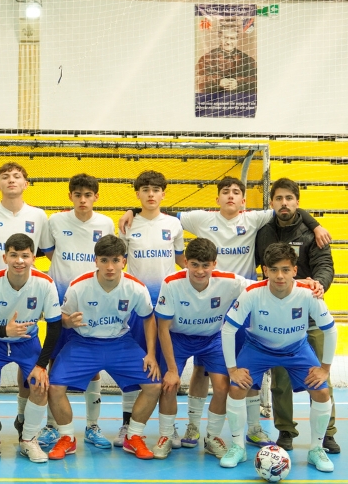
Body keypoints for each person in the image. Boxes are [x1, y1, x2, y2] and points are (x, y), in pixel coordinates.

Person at [119, 175, 330, 449]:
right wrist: (133, 210)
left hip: (243, 302)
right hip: (199, 310)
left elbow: (286, 206)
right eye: (225, 192)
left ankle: (251, 426)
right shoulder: (199, 220)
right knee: (195, 372)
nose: (230, 196)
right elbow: (160, 211)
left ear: (244, 200)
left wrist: (314, 228)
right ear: (216, 198)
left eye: (236, 192)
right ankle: (191, 426)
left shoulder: (254, 219)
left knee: (242, 372)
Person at [220, 242, 337, 473]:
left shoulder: (308, 294)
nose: (279, 276)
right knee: (235, 387)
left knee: (322, 391)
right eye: (273, 269)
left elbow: (330, 329)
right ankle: (237, 447)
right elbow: (228, 329)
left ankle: (316, 449)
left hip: (296, 348)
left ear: (295, 270)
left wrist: (325, 368)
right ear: (265, 270)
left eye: (285, 269)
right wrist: (232, 369)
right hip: (258, 347)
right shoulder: (252, 294)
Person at [48, 235, 162, 461]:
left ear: (124, 261)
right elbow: (61, 317)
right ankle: (67, 438)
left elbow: (149, 319)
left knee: (154, 385)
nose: (110, 267)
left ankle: (134, 436)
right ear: (96, 260)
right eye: (104, 260)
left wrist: (150, 354)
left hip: (120, 343)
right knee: (54, 386)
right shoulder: (79, 286)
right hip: (83, 343)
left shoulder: (136, 288)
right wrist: (69, 322)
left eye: (115, 260)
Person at [255, 177, 337, 453]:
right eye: (279, 198)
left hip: (310, 314)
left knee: (320, 377)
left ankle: (326, 432)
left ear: (297, 203)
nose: (284, 203)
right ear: (272, 203)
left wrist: (319, 284)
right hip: (277, 318)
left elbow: (325, 266)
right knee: (280, 380)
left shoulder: (313, 233)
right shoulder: (264, 231)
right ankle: (286, 431)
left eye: (289, 198)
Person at [0, 161, 49, 435]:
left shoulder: (39, 216)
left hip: (27, 295)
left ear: (26, 183)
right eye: (5, 176)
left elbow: (51, 252)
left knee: (26, 358)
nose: (11, 180)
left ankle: (23, 416)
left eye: (17, 176)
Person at [0, 233, 62, 464]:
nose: (19, 260)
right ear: (5, 257)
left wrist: (41, 365)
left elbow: (55, 326)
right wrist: (4, 332)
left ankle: (29, 440)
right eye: (14, 255)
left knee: (40, 385)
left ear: (33, 259)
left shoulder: (45, 283)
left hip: (27, 343)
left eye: (25, 256)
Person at [36, 173, 115, 448]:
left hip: (94, 303)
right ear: (70, 196)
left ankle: (92, 426)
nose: (83, 199)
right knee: (54, 363)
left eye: (88, 195)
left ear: (96, 197)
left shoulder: (106, 223)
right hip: (60, 302)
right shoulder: (56, 221)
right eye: (78, 194)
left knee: (93, 368)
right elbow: (50, 253)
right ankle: (52, 425)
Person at [154, 238, 251, 460]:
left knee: (222, 387)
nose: (200, 271)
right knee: (168, 384)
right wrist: (171, 369)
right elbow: (163, 329)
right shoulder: (171, 283)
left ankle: (212, 437)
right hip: (178, 338)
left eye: (205, 265)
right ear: (185, 262)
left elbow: (264, 286)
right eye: (195, 264)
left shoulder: (230, 282)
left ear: (214, 264)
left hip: (212, 339)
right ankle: (166, 435)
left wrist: (304, 283)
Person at [116, 170, 185, 447]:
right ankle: (126, 423)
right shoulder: (126, 224)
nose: (151, 194)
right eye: (145, 189)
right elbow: (118, 263)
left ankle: (169, 428)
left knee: (170, 365)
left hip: (167, 305)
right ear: (138, 194)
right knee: (137, 365)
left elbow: (182, 260)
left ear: (164, 193)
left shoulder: (174, 225)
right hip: (136, 306)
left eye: (156, 190)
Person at [196, 24, 257, 94]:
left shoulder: (247, 59)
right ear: (219, 38)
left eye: (232, 38)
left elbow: (256, 80)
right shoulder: (206, 58)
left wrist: (238, 82)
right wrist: (219, 81)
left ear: (237, 40)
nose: (228, 42)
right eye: (225, 38)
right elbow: (198, 79)